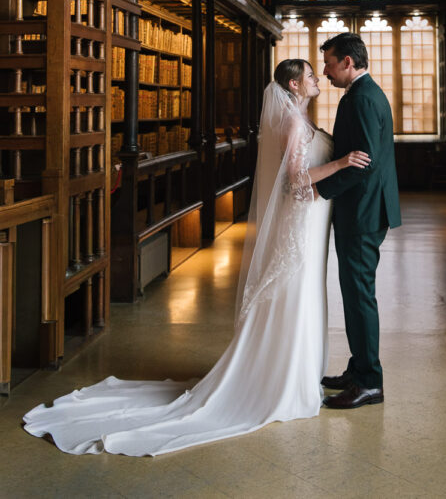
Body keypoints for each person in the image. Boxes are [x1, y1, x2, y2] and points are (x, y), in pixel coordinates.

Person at [23, 59, 369, 456]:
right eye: (310, 75)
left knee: (303, 298)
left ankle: (295, 375)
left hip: (308, 225)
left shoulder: (298, 119)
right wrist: (342, 163)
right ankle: (282, 381)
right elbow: (293, 180)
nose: (317, 78)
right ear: (294, 84)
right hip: (300, 227)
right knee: (294, 297)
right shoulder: (292, 123)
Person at [317, 32, 401, 410]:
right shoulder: (361, 94)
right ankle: (358, 369)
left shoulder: (364, 98)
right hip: (362, 208)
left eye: (330, 63)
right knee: (354, 294)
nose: (325, 71)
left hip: (363, 211)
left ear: (348, 62)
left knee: (359, 295)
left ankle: (369, 381)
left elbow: (362, 161)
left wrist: (322, 189)